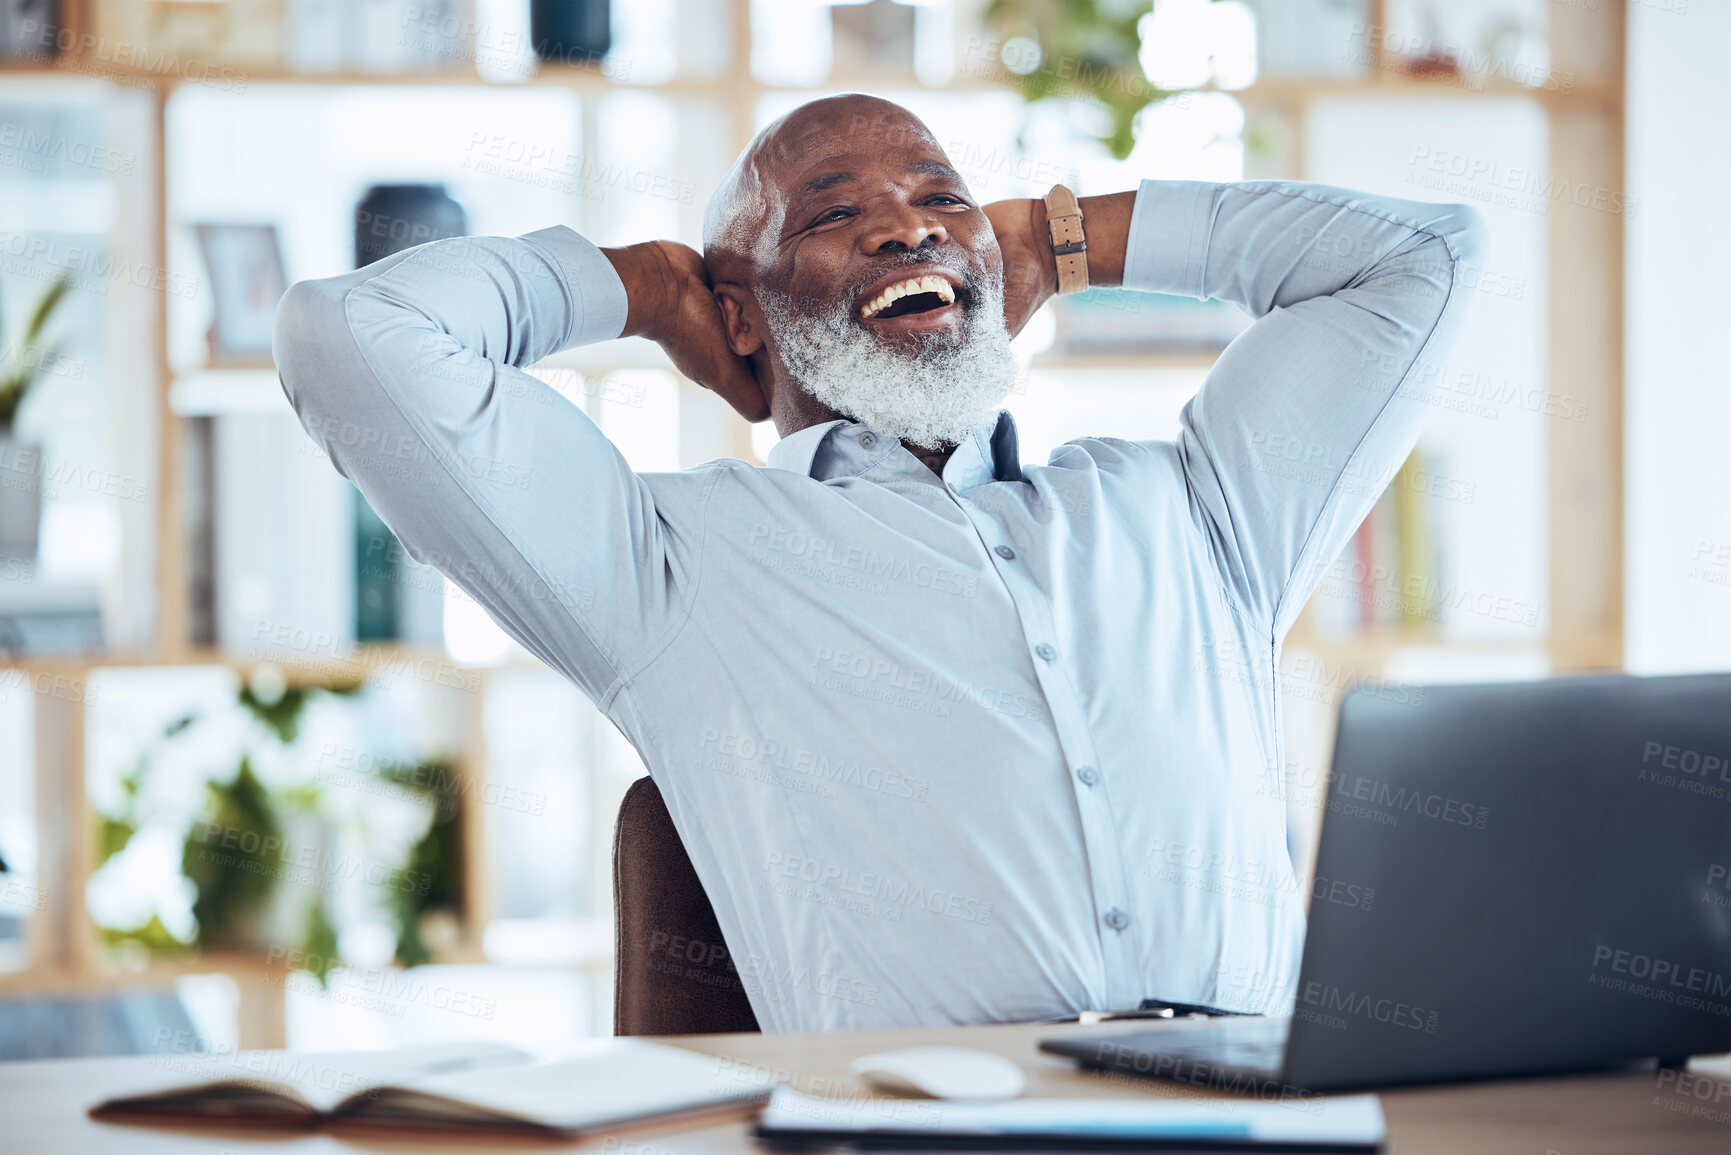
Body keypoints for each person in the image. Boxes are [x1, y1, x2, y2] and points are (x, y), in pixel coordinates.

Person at [273, 93, 1485, 1033]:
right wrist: (645, 287)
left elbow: (1428, 255)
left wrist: (1066, 237)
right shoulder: (666, 567)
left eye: (940, 197)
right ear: (742, 314)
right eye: (832, 213)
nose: (905, 225)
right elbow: (345, 335)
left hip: (1264, 1124)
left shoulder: (1194, 507)